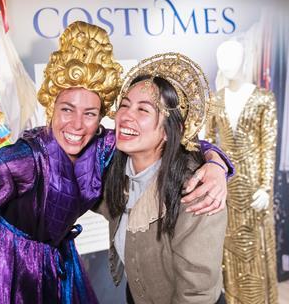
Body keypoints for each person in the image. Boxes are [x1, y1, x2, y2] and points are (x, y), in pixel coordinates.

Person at [0, 22, 232, 304]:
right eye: (67, 109)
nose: (77, 125)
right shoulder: (23, 160)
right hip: (5, 271)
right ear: (51, 106)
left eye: (90, 113)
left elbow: (177, 138)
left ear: (101, 117)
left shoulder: (104, 146)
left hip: (58, 266)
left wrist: (216, 164)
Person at [98, 53, 228, 304]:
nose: (126, 116)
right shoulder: (114, 171)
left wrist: (215, 163)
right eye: (124, 105)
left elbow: (196, 294)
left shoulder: (196, 191)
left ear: (171, 131)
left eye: (143, 109)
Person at [206, 40, 278, 304]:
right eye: (222, 57)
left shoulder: (263, 98)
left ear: (244, 59)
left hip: (255, 188)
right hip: (227, 186)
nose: (228, 63)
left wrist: (265, 187)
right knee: (231, 247)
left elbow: (267, 145)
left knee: (257, 246)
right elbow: (209, 142)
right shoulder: (215, 100)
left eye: (233, 57)